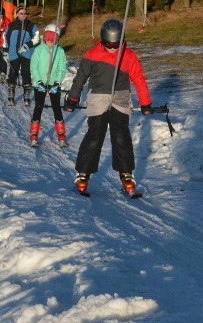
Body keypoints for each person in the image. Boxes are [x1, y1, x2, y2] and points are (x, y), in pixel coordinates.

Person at [64, 18, 152, 195]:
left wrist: (145, 102)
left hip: (120, 99)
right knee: (95, 136)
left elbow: (139, 79)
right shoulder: (91, 55)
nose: (112, 48)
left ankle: (126, 174)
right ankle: (83, 174)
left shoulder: (129, 56)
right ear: (101, 40)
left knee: (121, 136)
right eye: (107, 44)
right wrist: (73, 98)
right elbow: (80, 78)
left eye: (115, 44)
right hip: (98, 99)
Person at [29, 23, 68, 148]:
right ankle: (34, 135)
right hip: (39, 84)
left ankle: (61, 136)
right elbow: (34, 67)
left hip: (53, 84)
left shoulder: (60, 51)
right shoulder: (39, 50)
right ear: (44, 38)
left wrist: (57, 82)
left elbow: (62, 68)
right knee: (38, 107)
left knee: (57, 108)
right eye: (48, 39)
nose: (51, 42)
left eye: (54, 39)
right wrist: (39, 81)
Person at [5, 6, 39, 106]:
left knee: (26, 72)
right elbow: (5, 38)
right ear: (17, 14)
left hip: (26, 53)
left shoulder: (31, 25)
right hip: (13, 53)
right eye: (21, 13)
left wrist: (27, 45)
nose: (23, 15)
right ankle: (11, 94)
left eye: (25, 13)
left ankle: (26, 95)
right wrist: (5, 51)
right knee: (13, 72)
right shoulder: (11, 25)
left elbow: (36, 38)